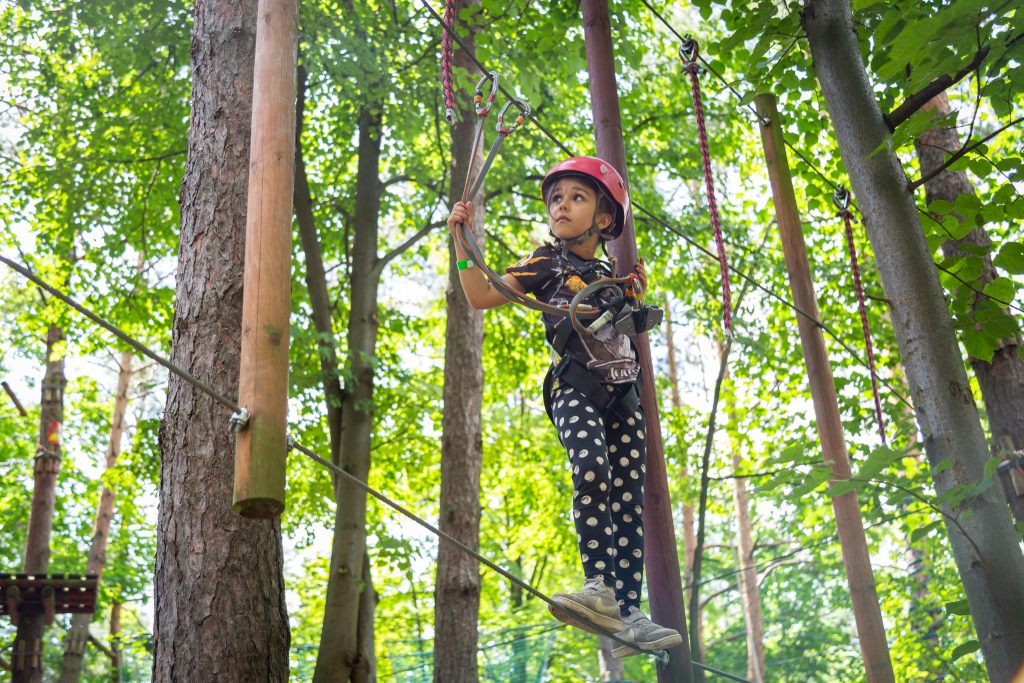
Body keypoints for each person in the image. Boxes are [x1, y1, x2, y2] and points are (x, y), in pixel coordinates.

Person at [446, 156, 682, 657]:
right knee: (592, 470)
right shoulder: (544, 262)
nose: (561, 206)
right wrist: (462, 245)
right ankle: (598, 586)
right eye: (556, 198)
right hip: (575, 388)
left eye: (577, 197)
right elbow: (481, 295)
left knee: (628, 501)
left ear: (604, 217)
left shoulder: (613, 277)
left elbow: (628, 327)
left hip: (625, 396)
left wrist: (633, 294)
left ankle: (628, 613)